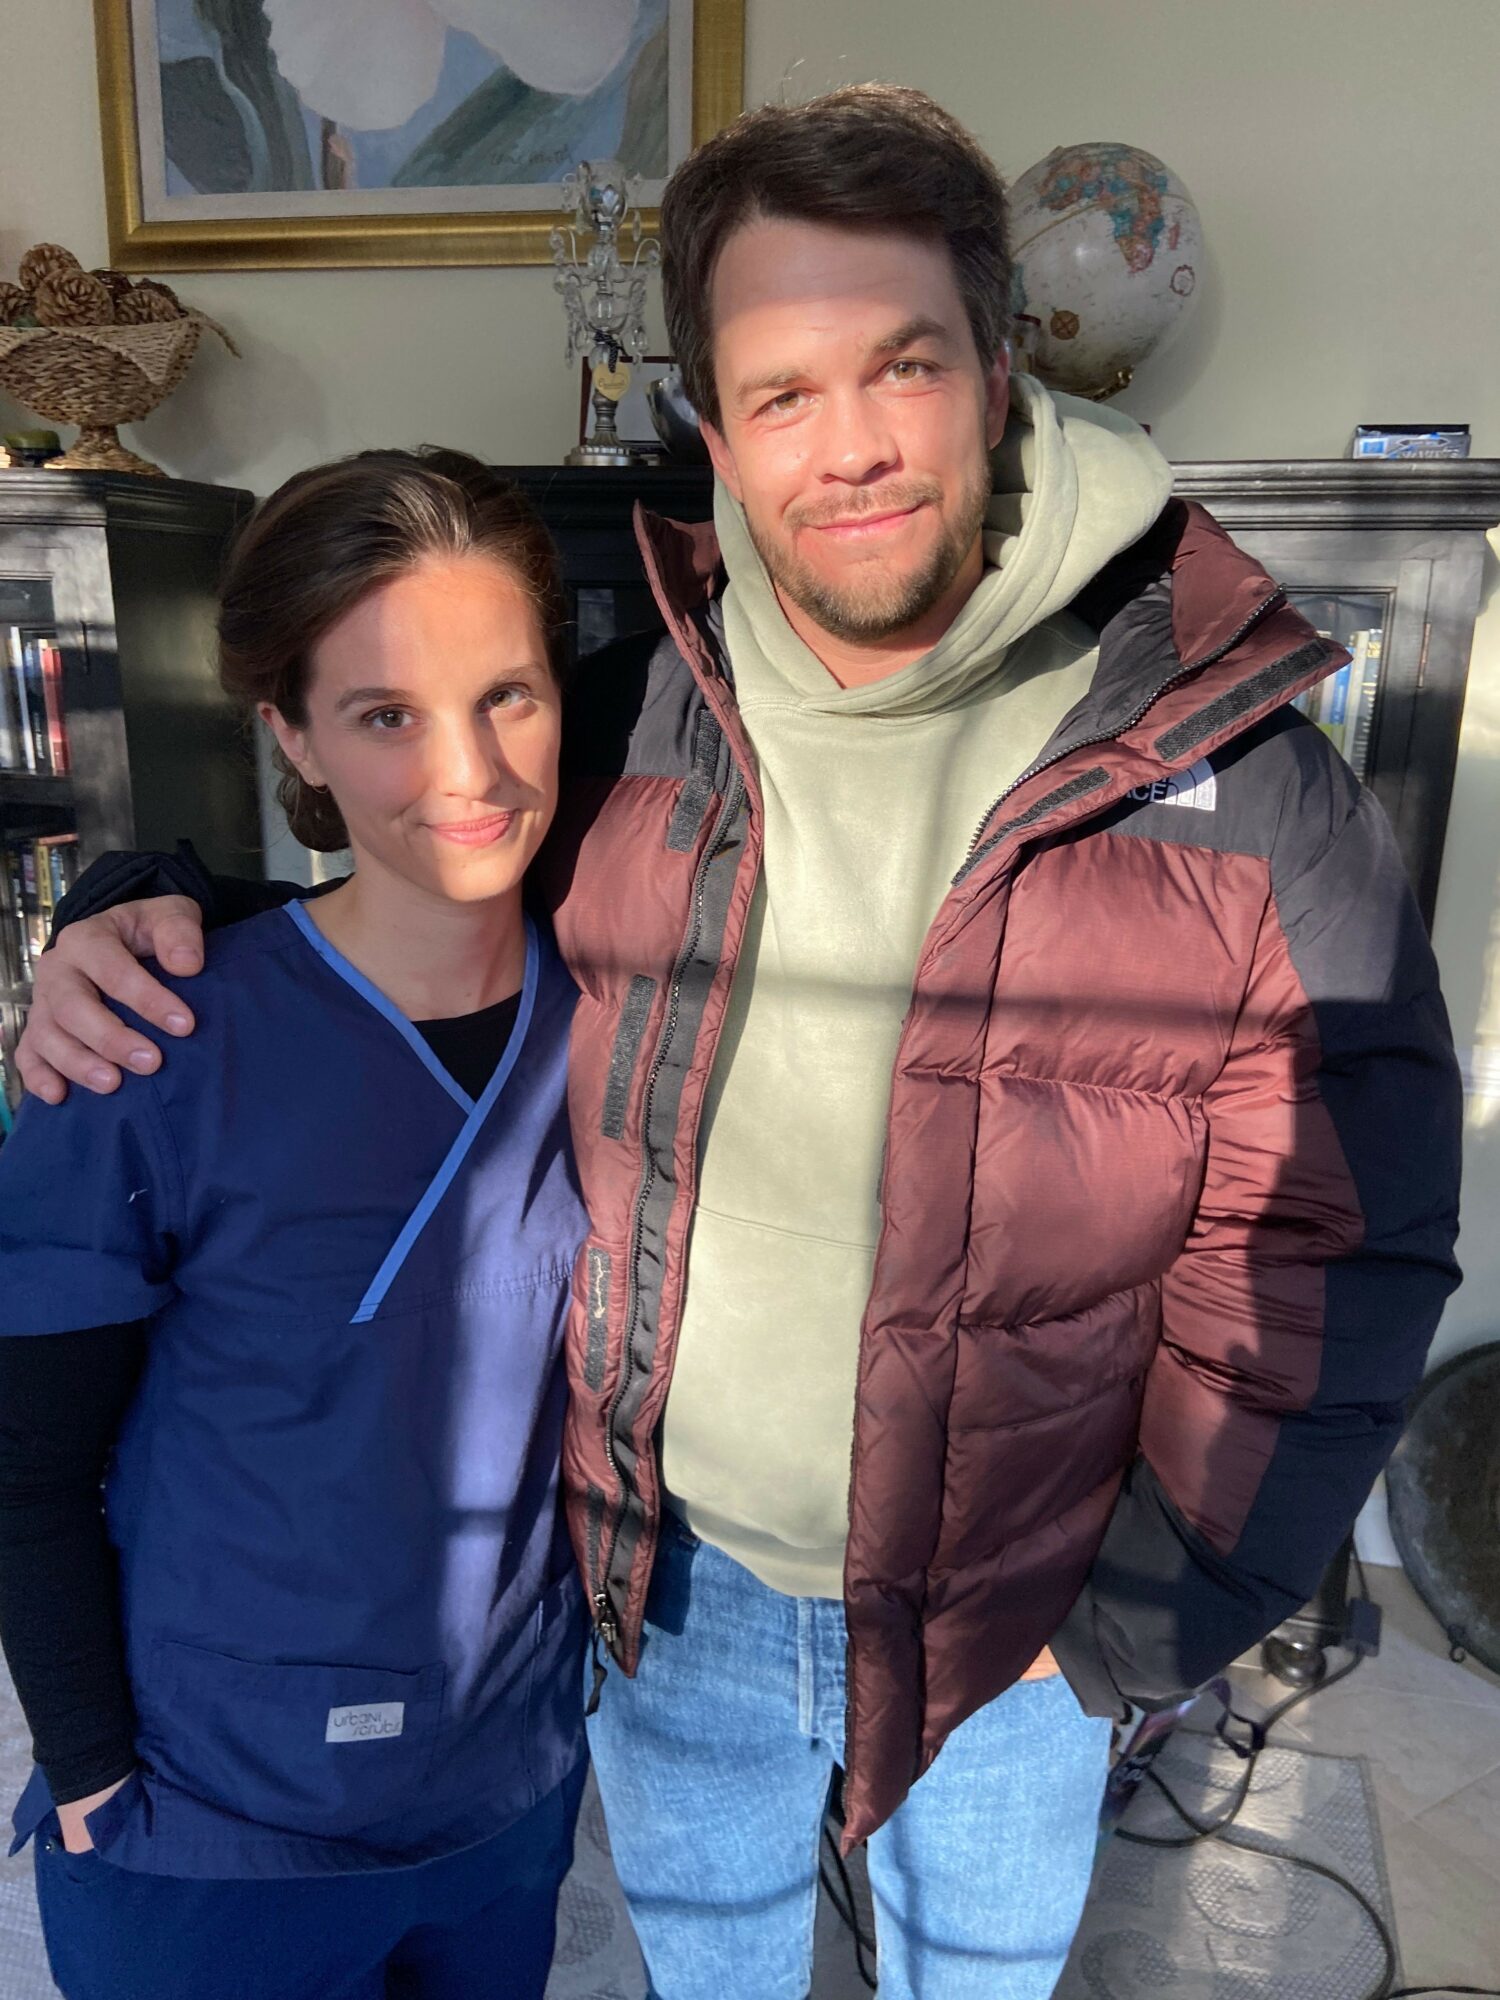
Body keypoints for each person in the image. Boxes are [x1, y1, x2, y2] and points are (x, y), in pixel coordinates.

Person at [18, 86, 1463, 2000]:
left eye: (903, 365)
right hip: (666, 1601)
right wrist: (138, 899)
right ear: (713, 430)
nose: (848, 446)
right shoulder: (633, 719)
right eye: (781, 390)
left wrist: (1140, 1620)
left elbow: (1340, 1246)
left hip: (1018, 1624)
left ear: (1000, 370)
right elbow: (416, 879)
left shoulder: (1235, 768)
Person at [0, 450, 591, 2000]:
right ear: (292, 736)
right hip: (212, 1827)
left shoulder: (615, 1020)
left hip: (502, 1790)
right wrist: (91, 1774)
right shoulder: (146, 1043)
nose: (469, 771)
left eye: (508, 695)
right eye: (385, 714)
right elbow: (27, 1462)